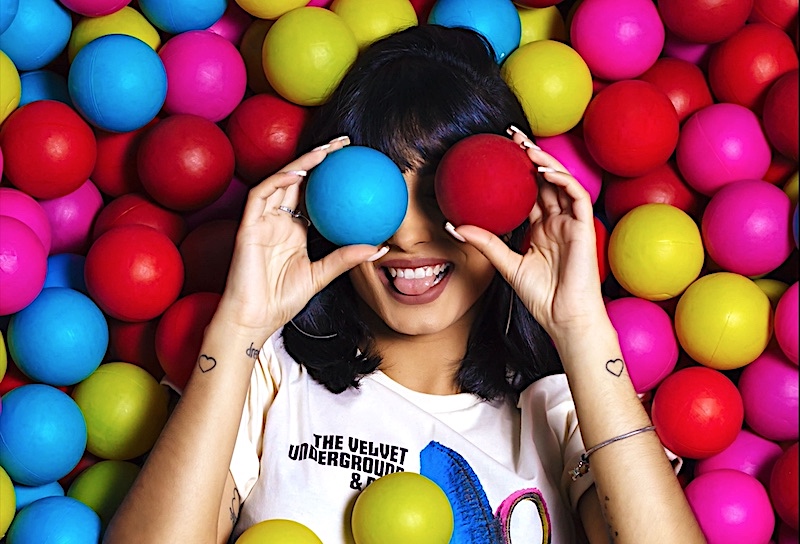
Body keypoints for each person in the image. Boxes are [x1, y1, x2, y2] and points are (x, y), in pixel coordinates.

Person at [105, 24, 706, 544]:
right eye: (380, 192)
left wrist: (581, 331)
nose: (411, 236)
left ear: (515, 205)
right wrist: (240, 326)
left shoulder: (565, 415)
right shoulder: (267, 382)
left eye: (445, 187)